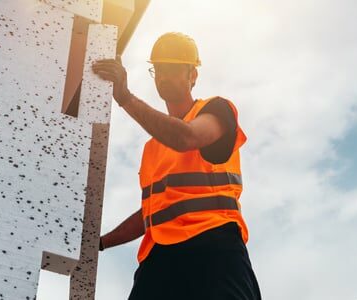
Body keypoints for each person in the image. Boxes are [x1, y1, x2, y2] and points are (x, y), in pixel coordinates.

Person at [92, 32, 261, 300]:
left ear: (193, 75)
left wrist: (124, 97)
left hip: (212, 246)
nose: (164, 75)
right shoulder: (153, 148)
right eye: (159, 69)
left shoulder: (217, 110)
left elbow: (186, 137)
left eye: (173, 68)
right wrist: (100, 243)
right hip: (159, 256)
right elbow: (150, 214)